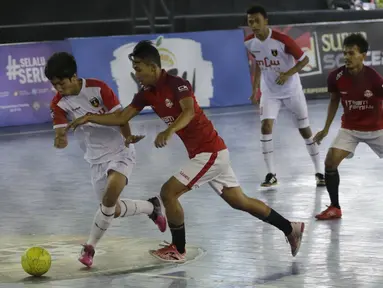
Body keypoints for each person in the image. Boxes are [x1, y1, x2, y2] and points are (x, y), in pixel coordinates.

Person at [66, 40, 305, 263]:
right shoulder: (146, 93)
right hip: (207, 154)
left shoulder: (177, 83)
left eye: (138, 69)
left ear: (153, 66)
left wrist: (169, 132)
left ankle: (178, 249)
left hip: (210, 152)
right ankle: (290, 227)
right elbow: (121, 116)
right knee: (239, 201)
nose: (136, 74)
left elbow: (188, 112)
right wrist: (90, 117)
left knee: (168, 193)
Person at [46, 52, 167, 267]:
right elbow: (59, 133)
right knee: (111, 208)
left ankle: (89, 247)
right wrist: (60, 139)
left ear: (74, 77)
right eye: (54, 85)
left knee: (110, 197)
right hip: (94, 159)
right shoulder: (58, 103)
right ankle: (151, 207)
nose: (58, 88)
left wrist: (128, 137)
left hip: (120, 150)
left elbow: (120, 117)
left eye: (61, 83)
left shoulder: (98, 88)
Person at [245, 5, 325, 188]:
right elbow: (259, 62)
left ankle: (319, 172)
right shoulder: (249, 42)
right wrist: (255, 87)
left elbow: (305, 60)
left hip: (292, 90)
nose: (254, 25)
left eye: (257, 20)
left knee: (305, 130)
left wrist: (288, 74)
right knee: (266, 127)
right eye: (250, 22)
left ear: (266, 21)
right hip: (270, 92)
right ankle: (271, 174)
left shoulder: (283, 40)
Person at [313, 33, 383, 220]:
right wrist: (326, 128)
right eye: (345, 53)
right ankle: (335, 207)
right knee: (330, 162)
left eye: (351, 53)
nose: (346, 57)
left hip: (377, 129)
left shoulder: (375, 79)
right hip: (350, 128)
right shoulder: (336, 77)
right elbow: (334, 100)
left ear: (363, 55)